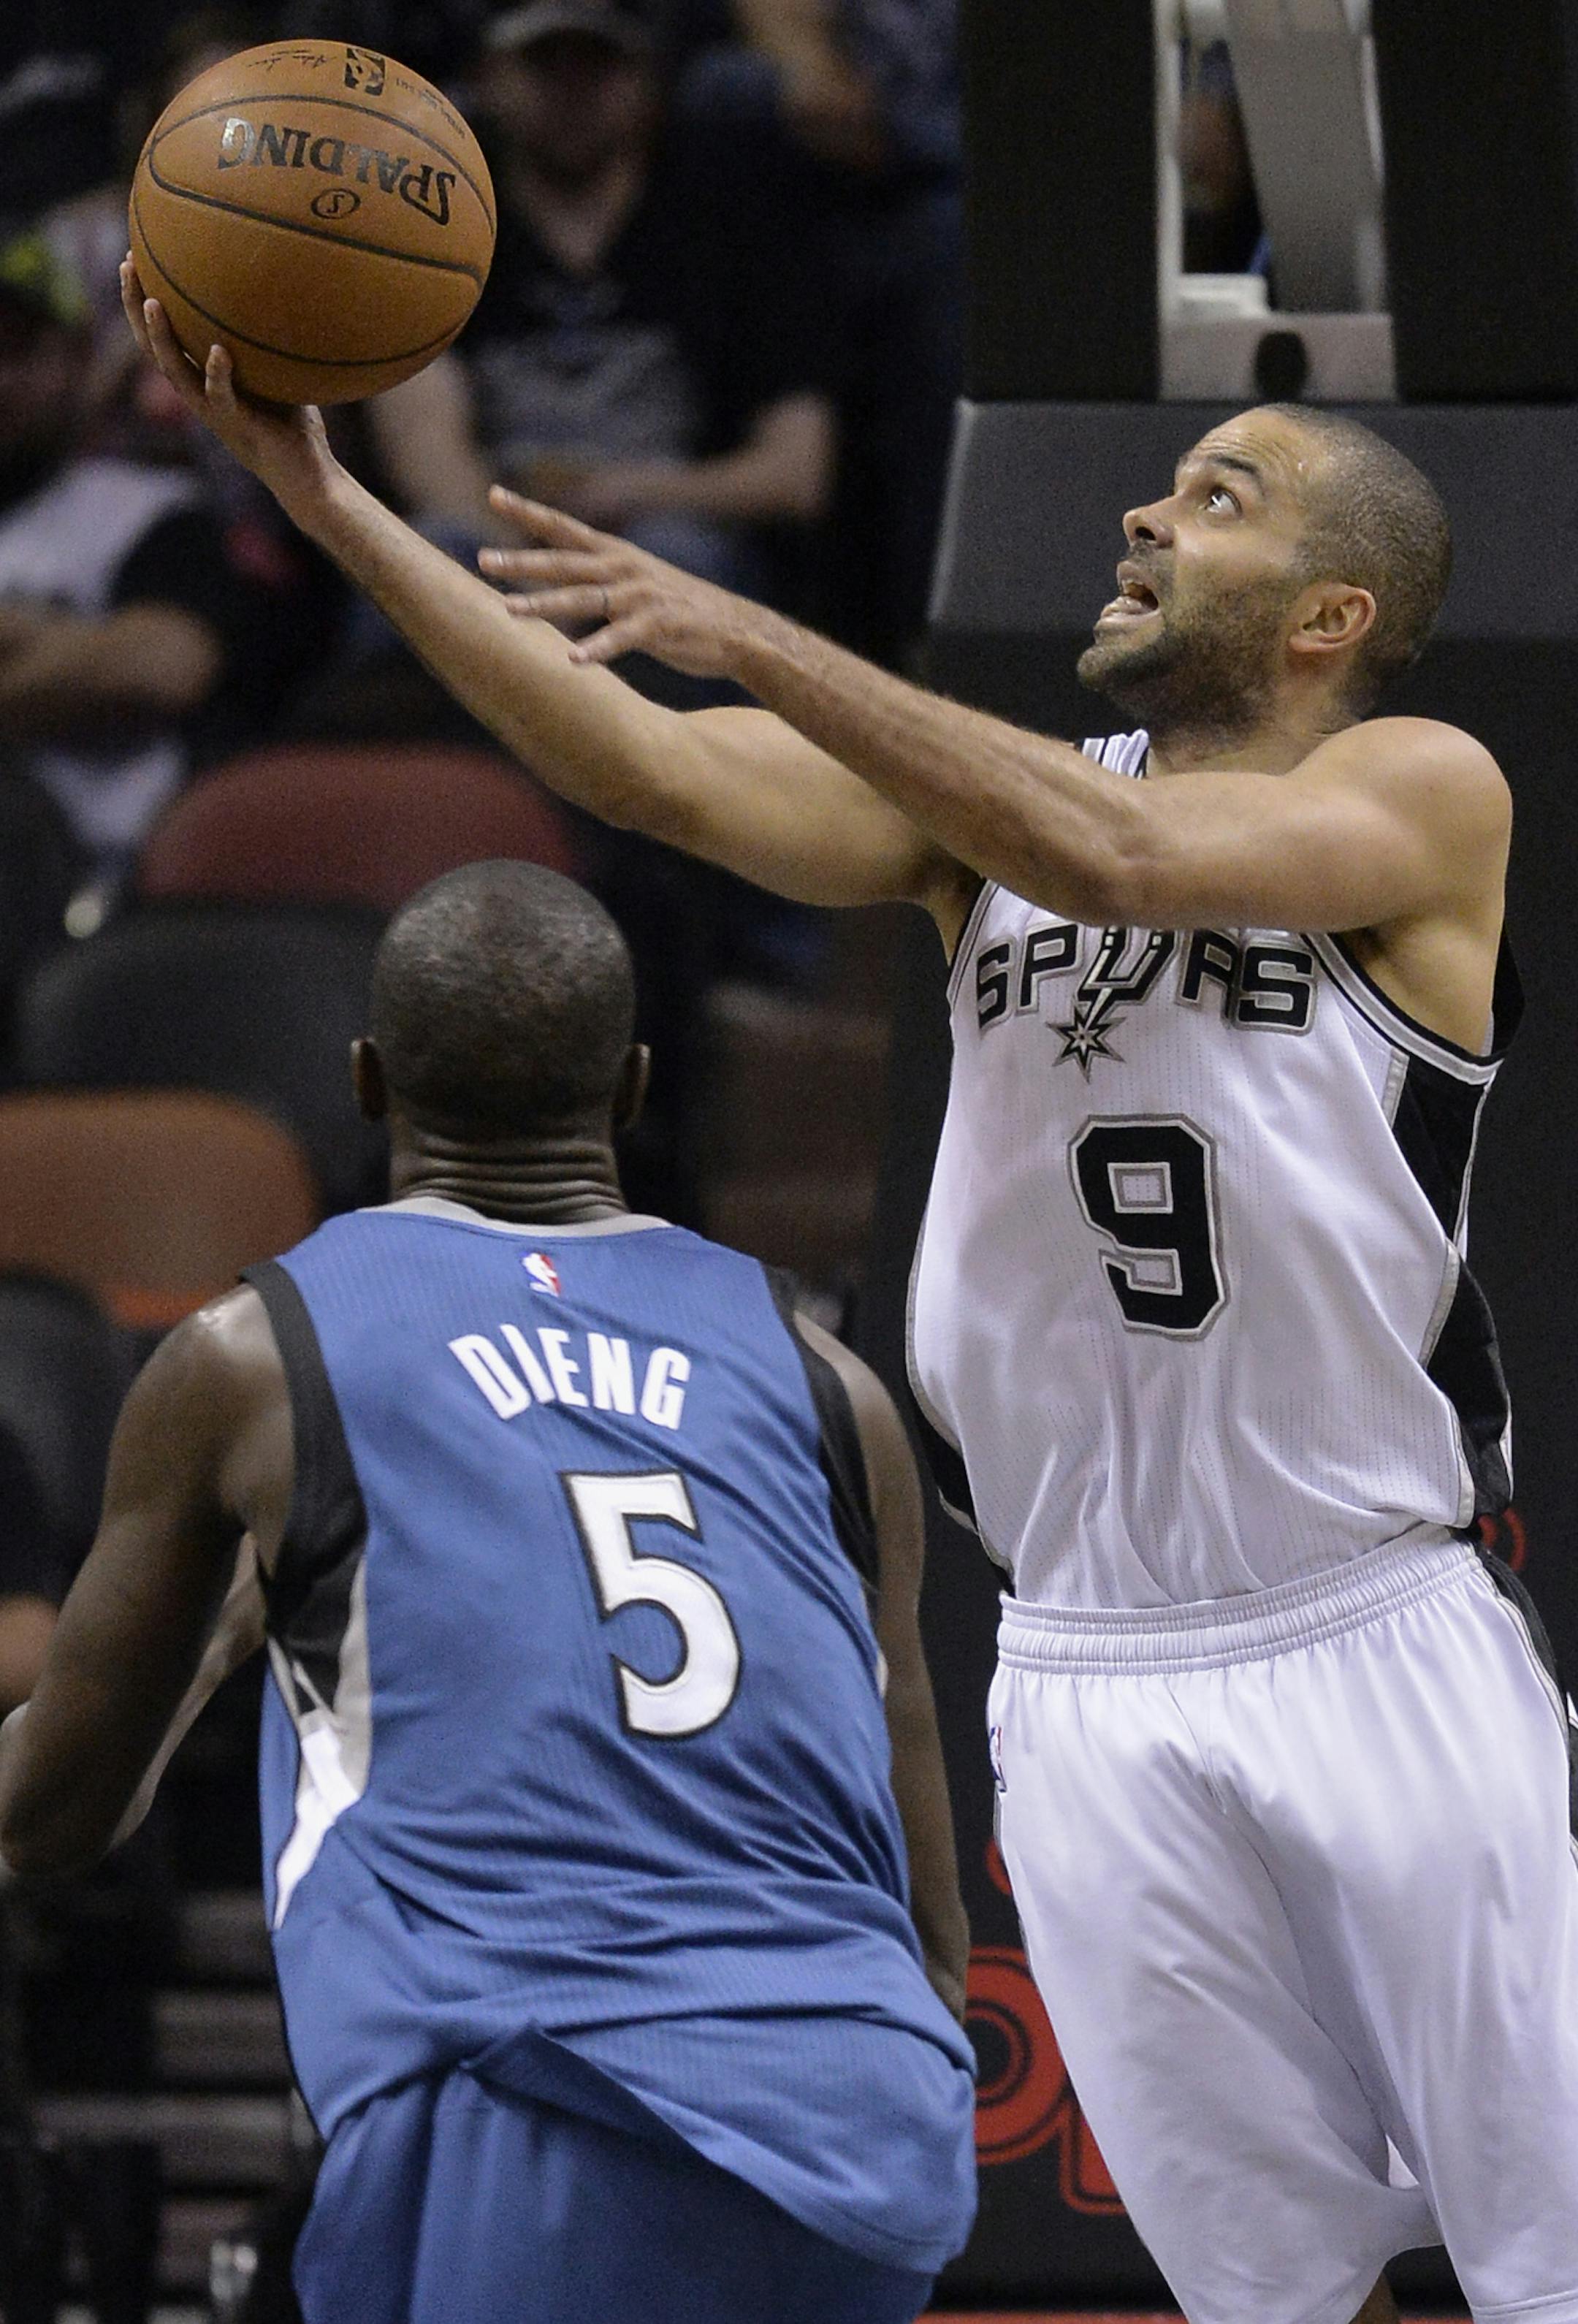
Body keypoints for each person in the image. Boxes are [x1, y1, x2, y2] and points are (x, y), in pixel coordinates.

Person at [119, 267, 1578, 2324]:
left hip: (1374, 1627)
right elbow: (642, 766)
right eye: (1159, 488)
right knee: (1272, 2289)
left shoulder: (1421, 789)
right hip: (1083, 1669)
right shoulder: (972, 828)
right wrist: (338, 501)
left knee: (1554, 2258)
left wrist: (763, 638)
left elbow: (1126, 860)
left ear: (1332, 614)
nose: (1151, 518)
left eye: (1221, 495)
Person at [0, 853, 977, 2324]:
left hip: (545, 2101)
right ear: (637, 1088)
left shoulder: (258, 1358)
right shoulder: (829, 1381)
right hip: (869, 2118)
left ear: (367, 1081)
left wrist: (216, 1652)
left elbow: (54, 1817)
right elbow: (924, 1892)